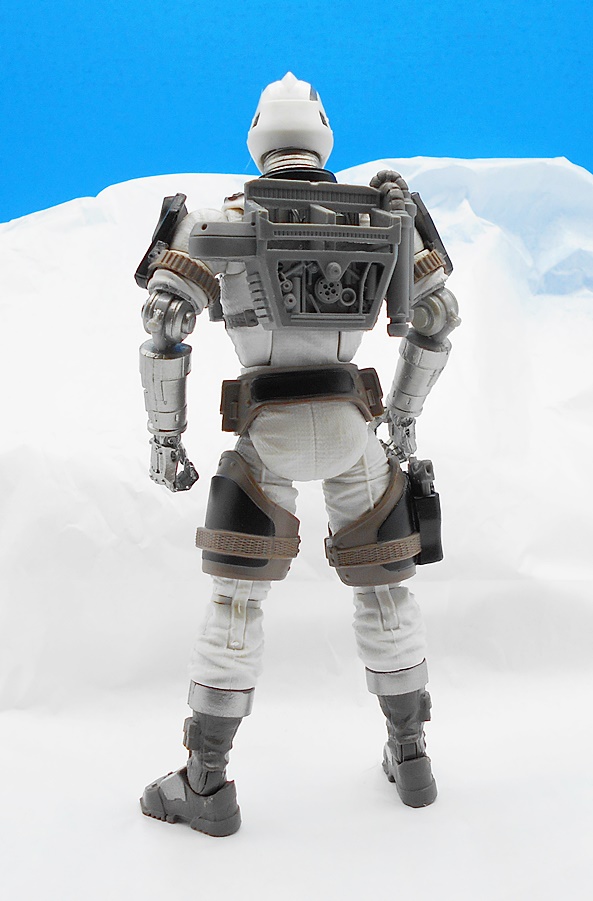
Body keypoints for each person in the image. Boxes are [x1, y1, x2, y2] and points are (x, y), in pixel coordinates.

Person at [137, 72, 460, 836]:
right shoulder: (384, 213)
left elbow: (164, 321)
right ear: (323, 134)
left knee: (235, 603)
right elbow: (438, 315)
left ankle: (206, 780)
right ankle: (411, 754)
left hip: (266, 432)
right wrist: (404, 415)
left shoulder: (221, 215)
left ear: (257, 135)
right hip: (353, 429)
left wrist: (165, 435)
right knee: (385, 592)